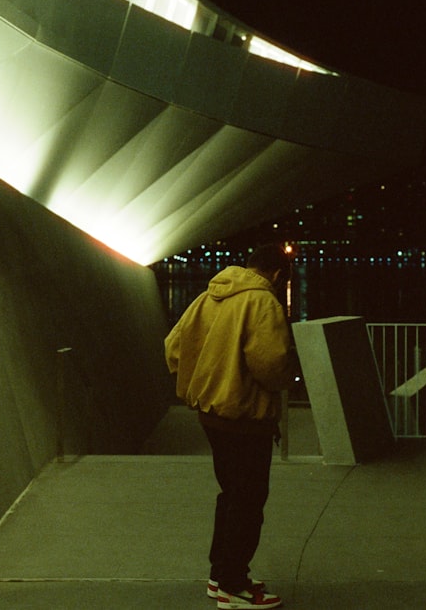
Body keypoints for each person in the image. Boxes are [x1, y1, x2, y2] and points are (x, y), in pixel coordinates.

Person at [164, 245, 297, 610]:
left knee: (231, 494)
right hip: (246, 418)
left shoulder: (211, 294)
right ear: (276, 274)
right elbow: (271, 364)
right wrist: (287, 378)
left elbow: (173, 348)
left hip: (211, 414)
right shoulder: (262, 302)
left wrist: (206, 376)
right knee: (249, 500)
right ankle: (234, 587)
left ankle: (220, 575)